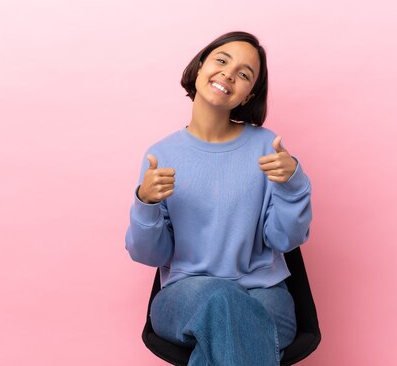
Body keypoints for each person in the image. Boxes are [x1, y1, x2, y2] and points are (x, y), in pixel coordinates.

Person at [125, 31, 312, 365]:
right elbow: (149, 255)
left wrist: (292, 186)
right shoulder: (161, 155)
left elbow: (285, 239)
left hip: (265, 294)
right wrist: (146, 203)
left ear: (248, 95)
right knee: (222, 302)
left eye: (243, 74)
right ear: (199, 68)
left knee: (225, 335)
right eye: (222, 61)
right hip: (186, 297)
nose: (228, 74)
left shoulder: (266, 149)